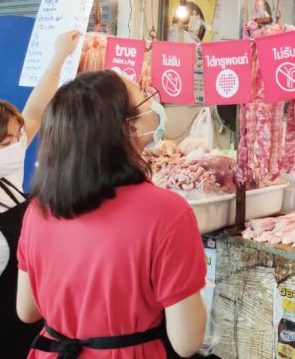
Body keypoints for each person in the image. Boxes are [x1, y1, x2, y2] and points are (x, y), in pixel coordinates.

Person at [16, 70, 208, 358]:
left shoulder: (38, 209)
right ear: (129, 127)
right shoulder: (168, 212)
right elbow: (187, 341)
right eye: (145, 99)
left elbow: (26, 310)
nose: (153, 105)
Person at [0, 29, 81, 359]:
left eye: (16, 138)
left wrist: (60, 55)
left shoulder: (1, 173)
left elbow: (36, 112)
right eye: (4, 143)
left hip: (31, 320)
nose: (16, 147)